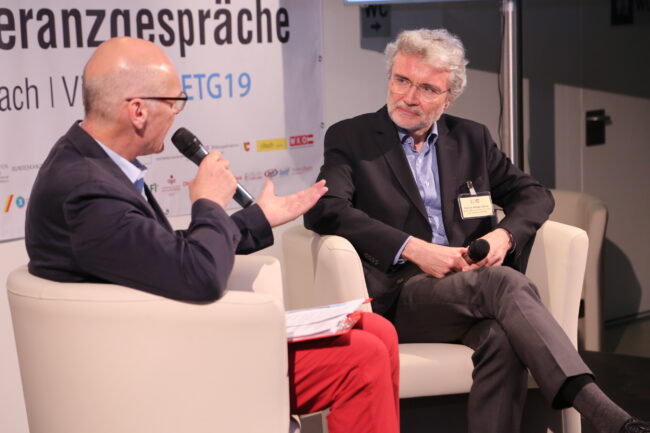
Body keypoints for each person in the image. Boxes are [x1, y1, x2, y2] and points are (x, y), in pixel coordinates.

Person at [25, 37, 399, 433]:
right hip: (150, 370)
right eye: (174, 102)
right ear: (138, 111)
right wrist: (208, 202)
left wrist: (258, 218)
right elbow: (199, 276)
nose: (177, 115)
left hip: (161, 339)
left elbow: (159, 252)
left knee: (374, 328)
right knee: (362, 357)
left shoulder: (90, 163)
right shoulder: (86, 190)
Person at [304, 28, 649, 433]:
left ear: (448, 98)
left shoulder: (470, 138)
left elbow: (534, 195)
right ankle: (606, 416)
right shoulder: (352, 137)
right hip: (400, 296)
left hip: (469, 288)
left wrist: (504, 236)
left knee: (500, 336)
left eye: (427, 89)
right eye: (402, 81)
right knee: (503, 283)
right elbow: (325, 209)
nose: (409, 97)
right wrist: (413, 248)